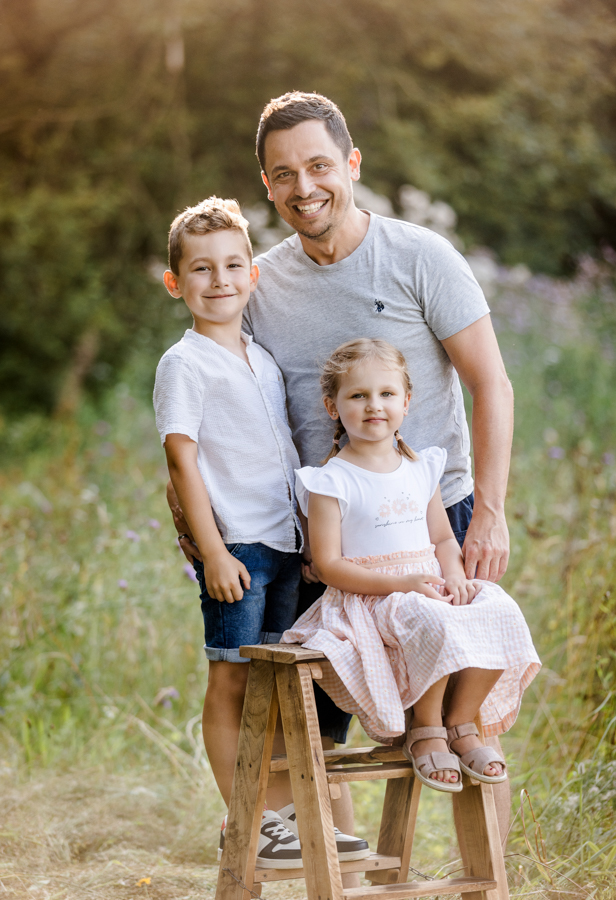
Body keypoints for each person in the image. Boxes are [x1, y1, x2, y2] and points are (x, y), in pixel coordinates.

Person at [168, 90, 515, 849]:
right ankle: (340, 866)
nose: (304, 187)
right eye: (283, 174)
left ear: (351, 164)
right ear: (266, 185)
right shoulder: (259, 283)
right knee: (320, 721)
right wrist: (197, 526)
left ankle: (477, 879)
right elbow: (204, 403)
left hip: (431, 521)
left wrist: (488, 510)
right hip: (319, 533)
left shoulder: (421, 257)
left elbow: (491, 382)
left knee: (455, 716)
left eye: (319, 165)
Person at [282, 338, 541, 792]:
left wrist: (456, 576)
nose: (373, 406)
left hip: (429, 582)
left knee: (497, 608)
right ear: (332, 406)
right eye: (358, 396)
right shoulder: (331, 481)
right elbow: (328, 564)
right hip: (371, 595)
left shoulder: (420, 468)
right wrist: (402, 583)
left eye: (386, 394)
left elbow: (442, 537)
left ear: (406, 400)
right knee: (429, 616)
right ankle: (425, 727)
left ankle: (460, 722)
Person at [154, 196, 311, 868]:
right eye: (200, 269)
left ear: (253, 275)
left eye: (232, 265)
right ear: (175, 283)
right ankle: (243, 817)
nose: (218, 280)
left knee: (274, 688)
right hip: (238, 549)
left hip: (287, 545)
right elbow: (181, 458)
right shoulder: (184, 364)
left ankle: (275, 818)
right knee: (232, 680)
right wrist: (212, 550)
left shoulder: (262, 358)